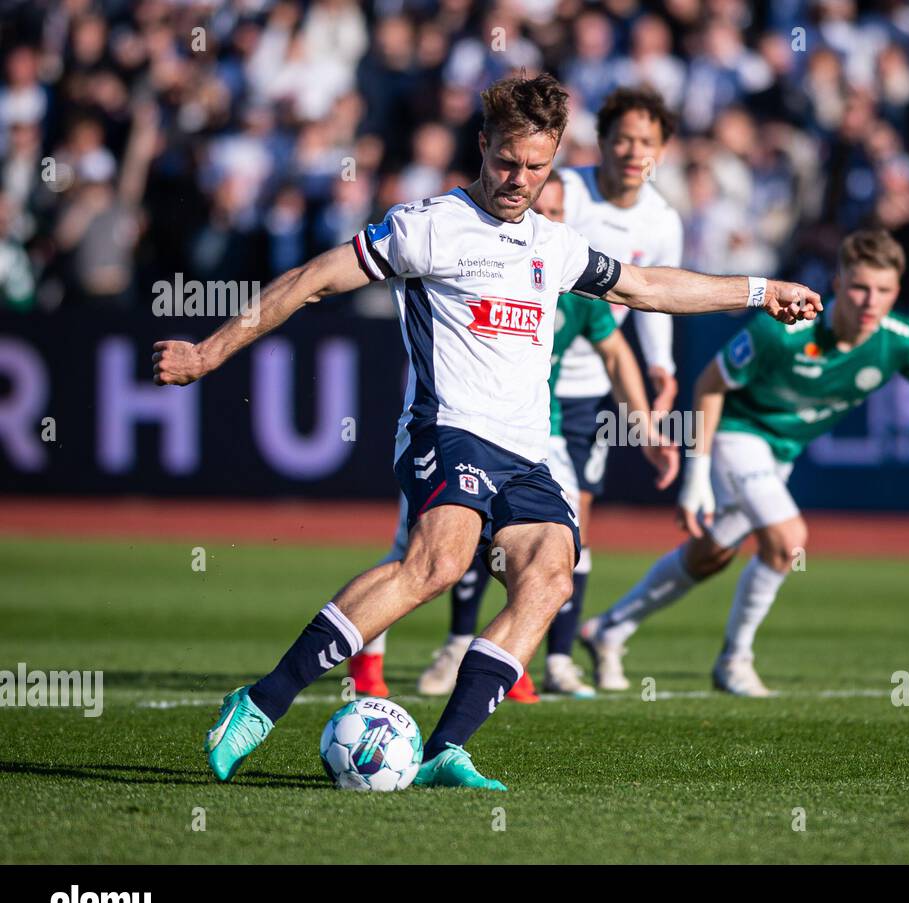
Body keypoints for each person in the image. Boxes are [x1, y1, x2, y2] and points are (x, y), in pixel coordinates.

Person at [152, 73, 820, 789]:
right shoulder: (428, 224)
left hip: (525, 451)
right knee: (439, 563)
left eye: (536, 166)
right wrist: (207, 352)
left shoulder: (554, 244)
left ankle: (444, 750)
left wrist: (759, 289)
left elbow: (648, 287)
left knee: (551, 574)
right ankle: (260, 701)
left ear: (556, 156)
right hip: (446, 428)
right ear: (483, 145)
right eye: (506, 160)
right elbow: (312, 280)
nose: (518, 178)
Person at [347, 170, 679, 701]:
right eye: (552, 207)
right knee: (419, 553)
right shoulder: (469, 248)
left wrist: (644, 428)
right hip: (452, 426)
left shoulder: (568, 276)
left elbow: (617, 349)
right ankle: (376, 656)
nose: (557, 219)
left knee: (548, 544)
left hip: (527, 436)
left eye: (568, 212)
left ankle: (513, 655)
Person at [581, 229, 909, 695]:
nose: (869, 301)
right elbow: (710, 385)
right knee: (789, 541)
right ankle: (735, 662)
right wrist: (698, 475)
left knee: (710, 555)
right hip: (737, 436)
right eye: (859, 287)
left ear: (898, 291)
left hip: (782, 454)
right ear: (838, 283)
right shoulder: (786, 329)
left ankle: (608, 630)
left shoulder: (902, 338)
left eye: (883, 290)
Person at [412, 87, 686, 700]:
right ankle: (461, 642)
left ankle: (550, 654)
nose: (634, 151)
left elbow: (646, 295)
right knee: (446, 539)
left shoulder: (657, 222)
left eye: (647, 141)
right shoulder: (561, 193)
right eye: (623, 138)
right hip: (494, 388)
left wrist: (660, 369)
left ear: (662, 150)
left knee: (561, 532)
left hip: (575, 395)